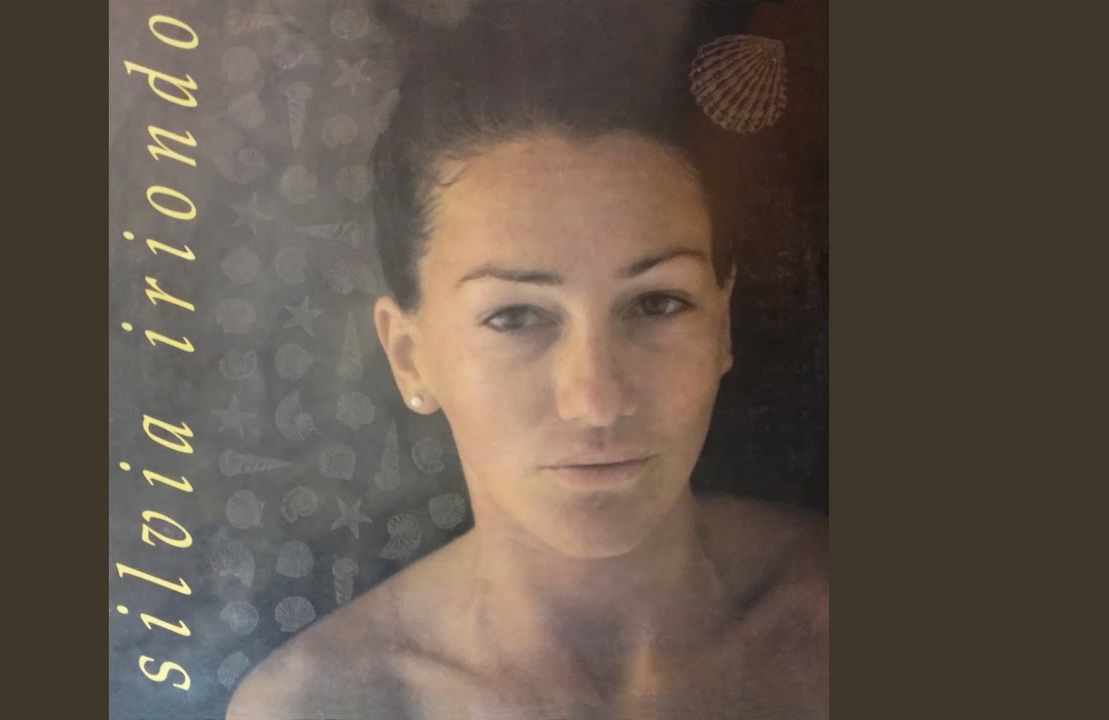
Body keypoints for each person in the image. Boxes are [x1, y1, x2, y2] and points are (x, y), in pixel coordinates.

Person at [228, 1, 826, 718]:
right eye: (514, 317)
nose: (597, 400)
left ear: (722, 326)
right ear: (410, 356)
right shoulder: (321, 706)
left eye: (657, 303)